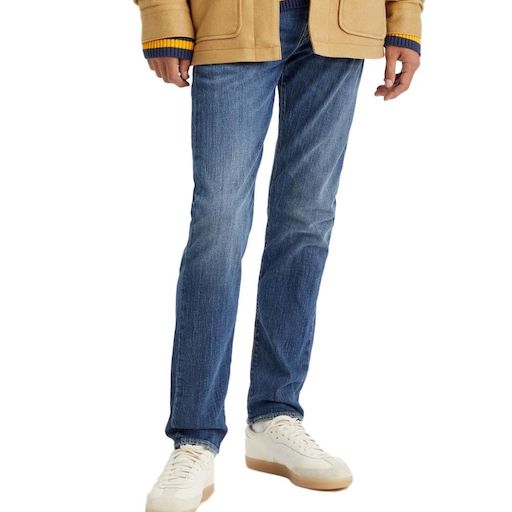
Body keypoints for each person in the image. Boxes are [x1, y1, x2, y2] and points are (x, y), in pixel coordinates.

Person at [133, 1, 424, 511]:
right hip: (228, 18)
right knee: (219, 224)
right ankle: (194, 438)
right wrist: (164, 17)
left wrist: (405, 19)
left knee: (306, 220)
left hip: (343, 23)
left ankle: (275, 414)